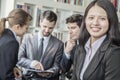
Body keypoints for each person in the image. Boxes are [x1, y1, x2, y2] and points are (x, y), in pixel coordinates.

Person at [72, 0, 120, 80]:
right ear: (85, 20)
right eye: (91, 17)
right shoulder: (80, 48)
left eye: (102, 19)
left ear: (110, 21)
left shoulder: (114, 52)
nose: (95, 23)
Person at [17, 10, 64, 80]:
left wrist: (49, 72)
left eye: (51, 28)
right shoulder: (27, 38)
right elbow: (19, 59)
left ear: (54, 25)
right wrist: (32, 63)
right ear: (40, 22)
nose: (47, 30)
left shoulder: (59, 44)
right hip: (27, 78)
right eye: (45, 26)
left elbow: (57, 66)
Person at [0, 8, 32, 80]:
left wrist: (14, 68)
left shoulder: (3, 34)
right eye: (26, 28)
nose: (26, 31)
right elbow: (6, 76)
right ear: (18, 26)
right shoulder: (12, 43)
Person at [60, 14, 83, 79]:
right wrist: (67, 52)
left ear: (83, 28)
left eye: (73, 28)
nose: (70, 32)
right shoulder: (68, 44)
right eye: (68, 28)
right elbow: (63, 69)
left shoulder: (91, 43)